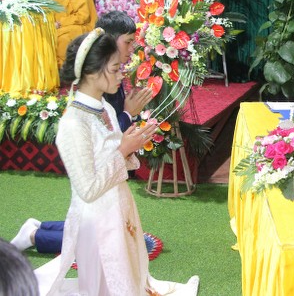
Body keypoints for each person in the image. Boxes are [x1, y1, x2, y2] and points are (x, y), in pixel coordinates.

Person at [35, 29, 198, 295]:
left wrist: (131, 145)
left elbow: (113, 155)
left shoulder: (106, 108)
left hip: (118, 205)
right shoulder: (73, 123)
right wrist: (123, 149)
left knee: (128, 276)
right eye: (115, 69)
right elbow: (87, 189)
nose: (122, 74)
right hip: (96, 221)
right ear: (92, 73)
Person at [11, 11, 154, 255]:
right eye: (128, 42)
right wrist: (127, 120)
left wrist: (128, 137)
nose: (132, 49)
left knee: (114, 232)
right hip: (97, 177)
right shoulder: (85, 105)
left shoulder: (106, 92)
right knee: (104, 238)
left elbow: (109, 135)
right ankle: (36, 235)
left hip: (111, 184)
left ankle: (40, 229)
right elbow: (100, 150)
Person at [51, 0, 98, 67]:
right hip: (56, 26)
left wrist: (60, 23)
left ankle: (63, 70)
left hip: (80, 26)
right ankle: (48, 72)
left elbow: (83, 16)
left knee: (61, 39)